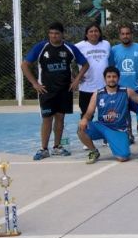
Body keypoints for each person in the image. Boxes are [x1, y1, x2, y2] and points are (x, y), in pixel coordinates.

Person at [22, 22, 89, 161]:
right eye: (51, 33)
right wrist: (35, 83)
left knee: (60, 118)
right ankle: (44, 149)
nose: (53, 36)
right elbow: (24, 65)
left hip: (65, 90)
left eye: (57, 33)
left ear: (62, 34)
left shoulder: (70, 48)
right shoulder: (41, 47)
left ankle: (57, 147)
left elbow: (85, 64)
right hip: (46, 90)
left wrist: (76, 80)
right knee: (47, 119)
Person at [77, 67, 138, 164]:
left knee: (123, 157)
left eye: (114, 76)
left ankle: (117, 141)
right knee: (81, 128)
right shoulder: (97, 94)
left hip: (118, 129)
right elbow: (89, 113)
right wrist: (84, 119)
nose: (112, 79)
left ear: (118, 78)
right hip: (102, 127)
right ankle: (94, 151)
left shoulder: (127, 91)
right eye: (109, 77)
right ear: (105, 78)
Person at [109, 23, 138, 144]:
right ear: (119, 35)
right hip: (120, 89)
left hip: (136, 88)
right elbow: (111, 68)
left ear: (132, 34)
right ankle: (129, 135)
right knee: (124, 114)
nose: (125, 36)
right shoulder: (114, 50)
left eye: (128, 33)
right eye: (123, 34)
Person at [75, 23, 110, 116]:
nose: (94, 33)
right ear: (86, 34)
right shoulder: (78, 46)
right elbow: (67, 61)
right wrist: (75, 77)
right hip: (86, 88)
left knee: (107, 116)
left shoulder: (106, 44)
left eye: (96, 31)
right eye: (91, 31)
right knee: (86, 116)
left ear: (100, 33)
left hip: (104, 87)